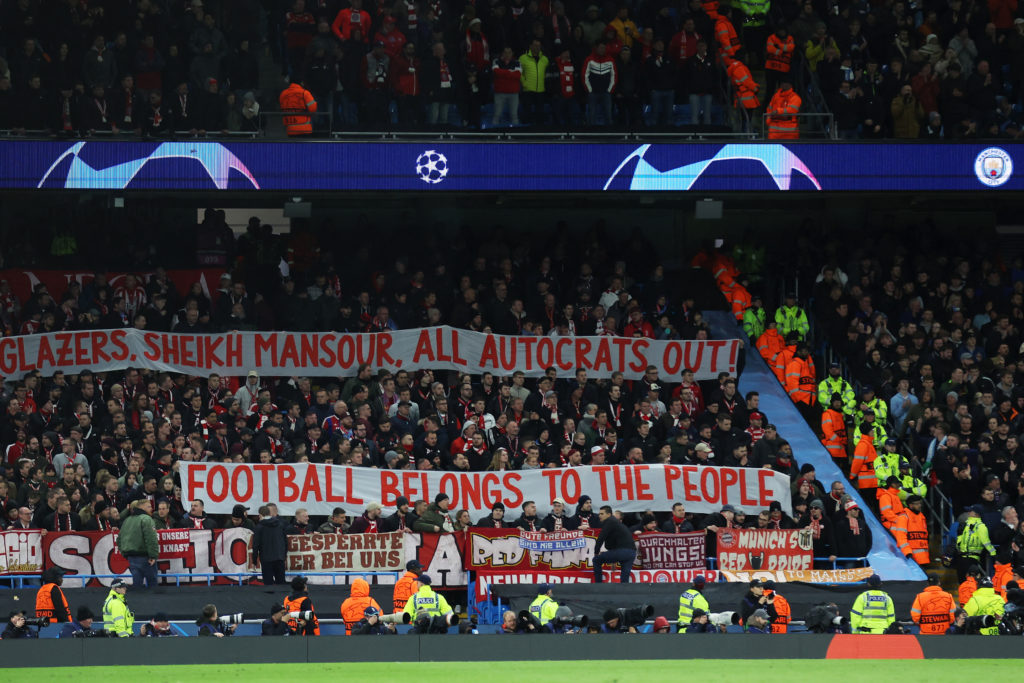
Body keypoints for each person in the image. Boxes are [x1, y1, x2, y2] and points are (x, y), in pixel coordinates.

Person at [118, 498, 159, 588]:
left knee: (137, 586)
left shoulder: (127, 520)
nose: (151, 509)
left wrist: (125, 553)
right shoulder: (146, 519)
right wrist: (153, 555)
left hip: (132, 558)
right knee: (152, 585)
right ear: (142, 508)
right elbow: (151, 539)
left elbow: (119, 539)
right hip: (146, 558)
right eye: (148, 506)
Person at [593, 505, 636, 583]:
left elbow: (601, 538)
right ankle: (624, 592)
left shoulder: (609, 521)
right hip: (631, 553)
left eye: (602, 514)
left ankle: (598, 584)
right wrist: (613, 561)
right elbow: (616, 541)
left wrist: (596, 552)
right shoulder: (616, 523)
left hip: (622, 551)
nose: (599, 516)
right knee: (624, 577)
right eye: (599, 514)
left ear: (609, 515)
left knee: (596, 560)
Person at [955, 505, 998, 582]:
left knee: (969, 581)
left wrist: (994, 554)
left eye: (970, 511)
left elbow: (986, 542)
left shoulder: (981, 526)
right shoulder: (965, 524)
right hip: (961, 557)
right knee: (961, 582)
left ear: (976, 514)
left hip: (972, 558)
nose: (968, 512)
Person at [252, 504, 288, 585]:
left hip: (266, 560)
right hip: (279, 558)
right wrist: (283, 556)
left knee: (268, 586)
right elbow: (285, 542)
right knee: (281, 584)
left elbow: (255, 545)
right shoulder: (280, 525)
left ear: (260, 515)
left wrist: (254, 561)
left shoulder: (259, 527)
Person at [893, 495, 929, 566]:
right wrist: (907, 553)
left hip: (923, 558)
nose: (920, 505)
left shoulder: (922, 517)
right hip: (911, 558)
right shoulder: (903, 516)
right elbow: (901, 537)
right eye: (917, 504)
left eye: (920, 503)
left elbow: (924, 536)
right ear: (910, 505)